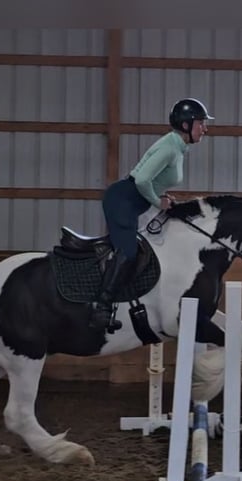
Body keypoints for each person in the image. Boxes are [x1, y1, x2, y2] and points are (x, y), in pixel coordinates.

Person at [90, 97, 214, 333]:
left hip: (134, 201)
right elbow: (143, 180)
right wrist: (158, 201)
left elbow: (152, 181)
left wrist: (163, 197)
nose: (205, 129)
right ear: (186, 124)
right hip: (123, 200)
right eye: (201, 123)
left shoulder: (177, 147)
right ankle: (102, 308)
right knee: (128, 251)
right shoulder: (170, 147)